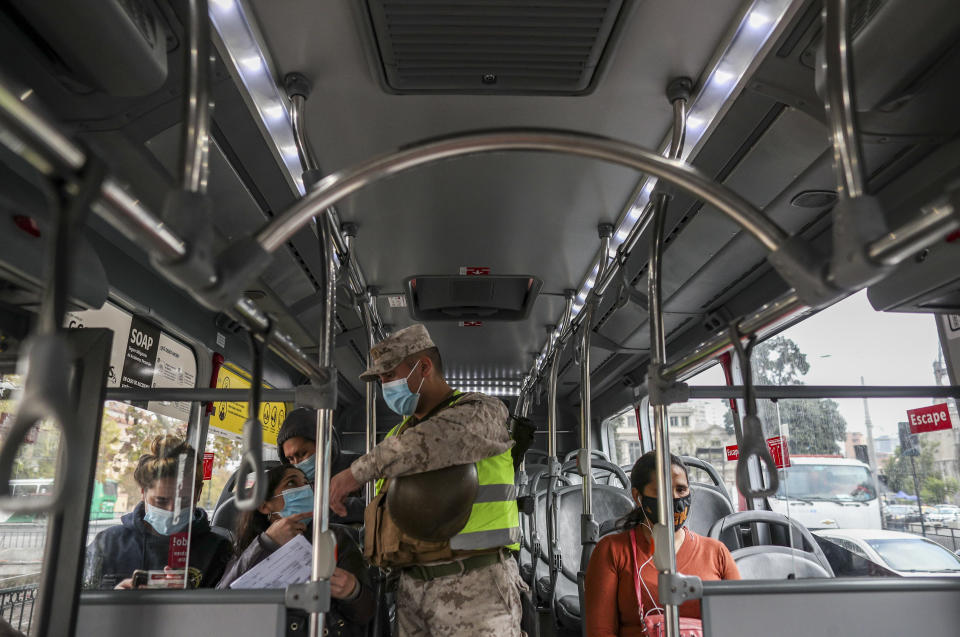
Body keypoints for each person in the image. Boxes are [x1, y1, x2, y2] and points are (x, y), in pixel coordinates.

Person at [328, 324, 526, 637]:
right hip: (411, 589)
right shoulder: (396, 437)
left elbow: (437, 439)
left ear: (424, 367)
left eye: (390, 374)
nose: (384, 384)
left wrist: (355, 473)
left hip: (477, 587)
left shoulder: (482, 413)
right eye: (380, 378)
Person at [585, 451, 741, 636]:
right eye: (662, 491)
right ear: (638, 496)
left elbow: (738, 622)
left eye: (681, 489)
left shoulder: (716, 552)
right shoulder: (612, 551)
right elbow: (601, 631)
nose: (674, 498)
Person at [217, 465, 375, 636]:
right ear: (264, 506)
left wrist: (353, 591)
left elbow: (367, 613)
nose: (305, 489)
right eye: (292, 483)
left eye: (307, 483)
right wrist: (267, 543)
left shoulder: (335, 537)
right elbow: (218, 605)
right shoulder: (250, 546)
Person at [84, 435, 233, 590]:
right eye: (161, 501)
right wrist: (113, 599)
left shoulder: (218, 550)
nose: (171, 511)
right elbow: (78, 597)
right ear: (143, 491)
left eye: (183, 502)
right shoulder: (109, 543)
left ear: (199, 493)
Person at [277, 408, 364, 524]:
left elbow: (374, 508)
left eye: (302, 454)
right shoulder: (294, 485)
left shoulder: (359, 467)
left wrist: (320, 508)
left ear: (324, 445)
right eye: (290, 459)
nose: (297, 463)